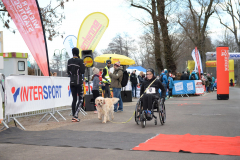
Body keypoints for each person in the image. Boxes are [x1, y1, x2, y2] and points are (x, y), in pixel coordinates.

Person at [67, 47, 85, 122]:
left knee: (74, 99)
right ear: (78, 53)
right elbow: (82, 71)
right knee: (81, 99)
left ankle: (74, 116)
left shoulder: (69, 61)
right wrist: (84, 65)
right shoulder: (80, 61)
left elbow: (68, 72)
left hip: (72, 82)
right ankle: (75, 115)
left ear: (72, 53)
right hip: (79, 82)